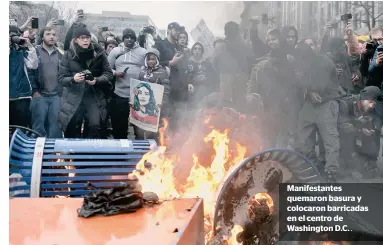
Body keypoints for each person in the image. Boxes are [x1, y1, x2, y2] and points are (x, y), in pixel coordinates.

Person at [294, 42, 346, 182]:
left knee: (330, 139)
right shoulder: (302, 62)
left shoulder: (324, 62)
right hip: (310, 103)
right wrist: (309, 90)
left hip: (328, 101)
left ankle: (331, 172)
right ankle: (313, 165)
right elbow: (297, 80)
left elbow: (320, 85)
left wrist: (309, 89)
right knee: (302, 137)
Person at [247, 29, 301, 149]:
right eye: (269, 40)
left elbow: (297, 82)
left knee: (283, 143)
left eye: (274, 39)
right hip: (268, 108)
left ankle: (279, 165)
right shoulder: (261, 65)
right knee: (268, 142)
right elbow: (253, 84)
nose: (271, 42)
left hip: (286, 109)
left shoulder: (291, 60)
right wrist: (251, 96)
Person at [58, 25, 113, 138]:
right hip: (74, 96)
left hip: (93, 95)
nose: (85, 40)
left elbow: (109, 74)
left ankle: (88, 153)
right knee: (72, 127)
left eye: (87, 37)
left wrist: (96, 80)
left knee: (95, 126)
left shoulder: (99, 53)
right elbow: (61, 78)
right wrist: (73, 79)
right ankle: (74, 153)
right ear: (76, 39)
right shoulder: (68, 54)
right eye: (82, 37)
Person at [107, 28, 147, 139]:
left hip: (137, 94)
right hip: (120, 93)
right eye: (127, 37)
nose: (129, 40)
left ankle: (141, 152)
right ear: (123, 38)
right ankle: (120, 152)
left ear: (135, 39)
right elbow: (107, 68)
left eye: (132, 37)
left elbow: (150, 65)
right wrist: (116, 73)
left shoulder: (143, 52)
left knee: (139, 127)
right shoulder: (115, 51)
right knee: (119, 126)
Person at [338, 86, 383, 178]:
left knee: (374, 132)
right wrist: (360, 129)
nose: (371, 106)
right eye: (370, 102)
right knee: (348, 132)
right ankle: (349, 162)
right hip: (344, 136)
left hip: (359, 134)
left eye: (374, 104)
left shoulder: (372, 109)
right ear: (363, 98)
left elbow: (376, 126)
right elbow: (342, 126)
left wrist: (372, 129)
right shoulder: (346, 103)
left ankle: (370, 161)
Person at [30, 27, 63, 138]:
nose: (52, 36)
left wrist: (61, 93)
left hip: (56, 96)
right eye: (48, 34)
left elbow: (64, 74)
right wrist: (34, 91)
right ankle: (37, 154)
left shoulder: (60, 53)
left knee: (55, 128)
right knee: (38, 128)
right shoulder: (35, 51)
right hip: (40, 95)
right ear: (42, 36)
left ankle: (54, 154)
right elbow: (30, 72)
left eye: (54, 34)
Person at [135, 49, 170, 141]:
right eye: (149, 59)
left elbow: (166, 89)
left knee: (153, 130)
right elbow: (137, 87)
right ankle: (141, 147)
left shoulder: (162, 72)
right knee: (141, 129)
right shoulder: (142, 72)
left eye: (153, 59)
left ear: (157, 60)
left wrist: (163, 102)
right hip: (143, 106)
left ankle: (153, 148)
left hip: (155, 106)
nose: (151, 61)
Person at [9, 25, 38, 127]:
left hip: (22, 96)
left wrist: (29, 46)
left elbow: (33, 65)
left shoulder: (21, 50)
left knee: (21, 129)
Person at [187, 42, 218, 110]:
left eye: (199, 49)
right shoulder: (188, 62)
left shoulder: (207, 63)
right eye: (195, 49)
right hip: (193, 89)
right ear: (192, 51)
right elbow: (186, 76)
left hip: (205, 89)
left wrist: (206, 78)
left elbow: (213, 76)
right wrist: (193, 81)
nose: (197, 50)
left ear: (202, 51)